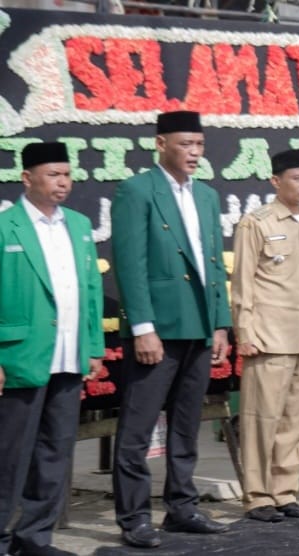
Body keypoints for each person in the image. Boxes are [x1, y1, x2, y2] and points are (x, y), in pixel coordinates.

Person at [111, 110, 232, 548]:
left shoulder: (206, 195)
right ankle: (134, 517)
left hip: (198, 325)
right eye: (185, 144)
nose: (194, 153)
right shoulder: (137, 190)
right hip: (159, 328)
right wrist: (143, 327)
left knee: (186, 424)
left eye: (199, 145)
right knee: (138, 428)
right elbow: (130, 263)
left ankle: (182, 507)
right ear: (160, 144)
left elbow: (213, 264)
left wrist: (220, 323)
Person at [0, 142, 104, 556]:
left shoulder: (77, 224)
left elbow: (91, 290)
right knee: (9, 455)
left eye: (67, 174)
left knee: (55, 451)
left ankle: (34, 537)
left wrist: (93, 347)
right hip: (20, 356)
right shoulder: (6, 226)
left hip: (68, 357)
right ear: (27, 179)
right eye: (53, 175)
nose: (63, 182)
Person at [231, 149, 299, 523]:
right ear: (276, 181)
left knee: (296, 420)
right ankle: (257, 497)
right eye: (297, 178)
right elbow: (243, 283)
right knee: (261, 420)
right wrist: (245, 332)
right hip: (269, 337)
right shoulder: (256, 223)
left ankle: (285, 492)